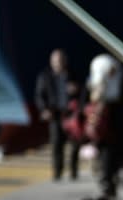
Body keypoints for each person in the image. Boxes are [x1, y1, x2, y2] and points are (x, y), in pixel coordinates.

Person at [85, 54, 123, 199]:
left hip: (111, 118)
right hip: (107, 118)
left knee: (110, 152)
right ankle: (107, 181)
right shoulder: (102, 71)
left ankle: (108, 181)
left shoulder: (113, 74)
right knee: (107, 152)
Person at [34, 48, 81, 181]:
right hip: (55, 114)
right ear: (51, 62)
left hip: (71, 114)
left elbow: (82, 92)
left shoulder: (72, 74)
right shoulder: (45, 76)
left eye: (60, 60)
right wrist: (44, 109)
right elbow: (39, 95)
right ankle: (57, 171)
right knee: (56, 143)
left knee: (75, 143)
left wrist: (76, 89)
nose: (58, 63)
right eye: (55, 61)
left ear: (65, 61)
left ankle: (73, 170)